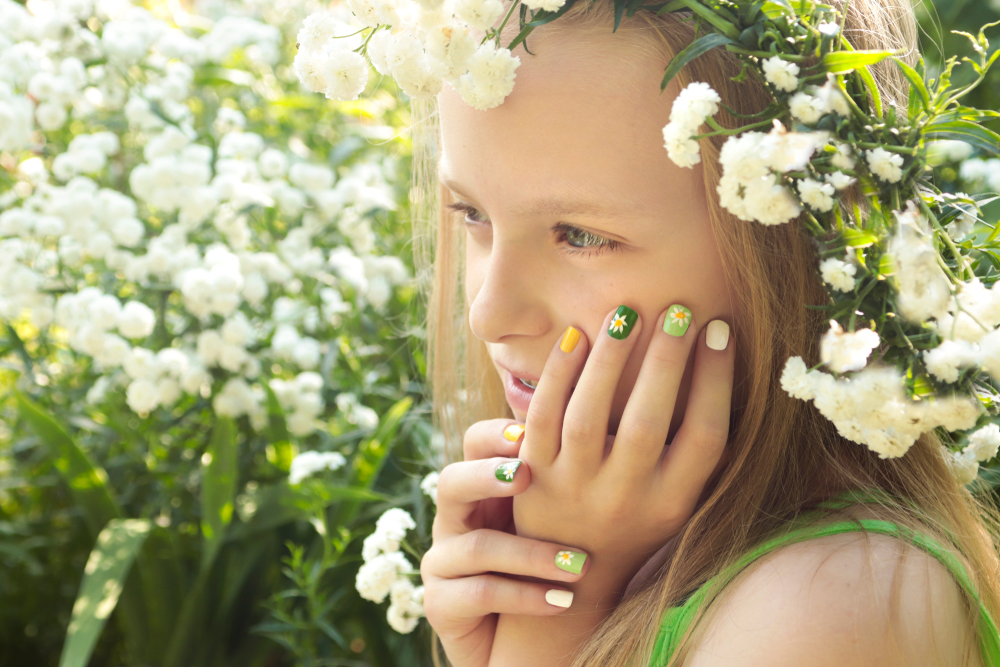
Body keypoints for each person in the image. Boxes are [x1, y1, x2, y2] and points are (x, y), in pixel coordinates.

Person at [407, 0, 1000, 665]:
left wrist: (548, 621)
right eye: (471, 211)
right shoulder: (659, 543)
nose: (489, 312)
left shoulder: (832, 605)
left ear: (790, 242)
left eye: (582, 236)